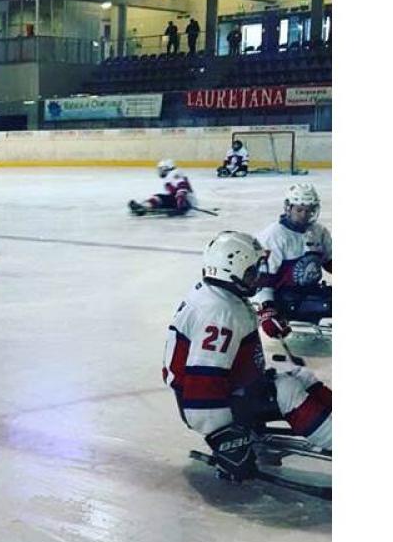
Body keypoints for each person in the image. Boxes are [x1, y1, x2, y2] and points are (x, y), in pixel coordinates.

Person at [163, 230, 332, 481]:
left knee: (301, 375)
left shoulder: (220, 296)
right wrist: (223, 437)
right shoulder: (218, 312)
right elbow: (203, 382)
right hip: (212, 404)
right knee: (286, 389)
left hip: (234, 387)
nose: (258, 278)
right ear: (230, 271)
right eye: (251, 272)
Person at [254, 184, 332, 338]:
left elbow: (330, 261)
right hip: (285, 299)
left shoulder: (318, 231)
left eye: (309, 210)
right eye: (299, 210)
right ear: (288, 208)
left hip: (311, 292)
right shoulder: (274, 236)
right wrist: (267, 311)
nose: (305, 215)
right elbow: (263, 282)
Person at [128, 160, 194, 216]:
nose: (160, 171)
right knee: (160, 198)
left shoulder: (174, 174)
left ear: (166, 168)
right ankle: (145, 206)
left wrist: (181, 201)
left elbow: (182, 187)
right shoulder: (173, 174)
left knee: (158, 197)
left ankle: (144, 207)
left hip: (185, 201)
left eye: (161, 169)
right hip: (180, 201)